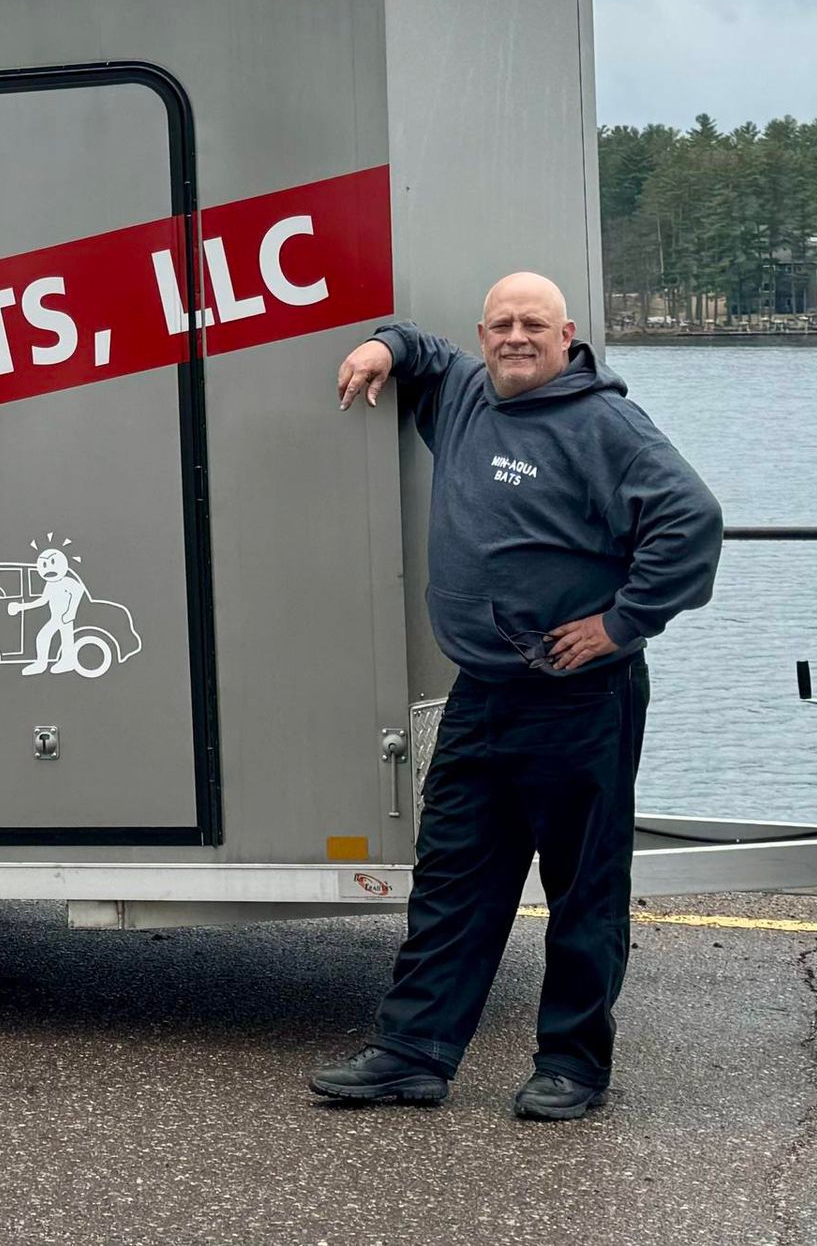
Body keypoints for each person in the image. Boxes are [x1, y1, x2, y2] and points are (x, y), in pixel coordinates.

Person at [308, 272, 722, 1121]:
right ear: (483, 335)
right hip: (483, 692)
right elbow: (421, 348)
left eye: (535, 323)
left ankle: (572, 1067)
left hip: (580, 696)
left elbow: (692, 522)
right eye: (502, 324)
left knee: (582, 890)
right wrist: (382, 346)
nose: (516, 336)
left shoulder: (606, 425)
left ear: (567, 335)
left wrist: (621, 624)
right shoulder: (465, 392)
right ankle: (414, 1054)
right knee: (452, 877)